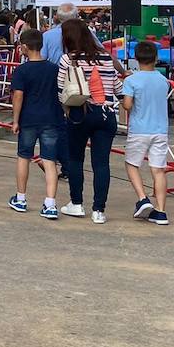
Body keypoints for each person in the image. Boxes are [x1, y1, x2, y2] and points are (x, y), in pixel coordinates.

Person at [56, 17, 120, 223]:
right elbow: (117, 88)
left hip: (79, 113)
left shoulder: (68, 59)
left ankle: (76, 204)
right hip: (106, 114)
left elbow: (60, 91)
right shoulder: (106, 58)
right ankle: (99, 211)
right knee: (101, 163)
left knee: (75, 159)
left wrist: (66, 108)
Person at [9, 28, 63, 219]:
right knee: (49, 160)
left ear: (24, 46)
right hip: (51, 118)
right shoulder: (54, 69)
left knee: (24, 156)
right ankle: (50, 203)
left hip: (28, 118)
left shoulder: (21, 71)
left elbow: (18, 96)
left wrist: (15, 120)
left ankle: (21, 198)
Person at [120, 41, 173, 226]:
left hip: (139, 129)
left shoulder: (131, 80)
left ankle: (143, 199)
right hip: (160, 130)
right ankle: (161, 211)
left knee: (131, 164)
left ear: (136, 58)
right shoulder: (163, 80)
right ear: (156, 58)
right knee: (158, 170)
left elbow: (127, 105)